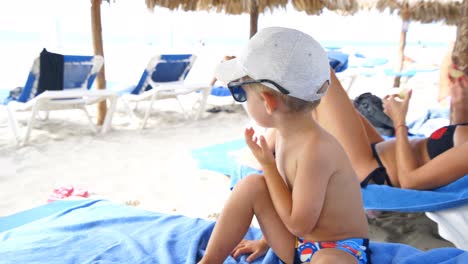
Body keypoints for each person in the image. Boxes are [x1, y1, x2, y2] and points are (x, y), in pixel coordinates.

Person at [198, 27, 370, 264]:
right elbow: (285, 196)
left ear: (268, 102)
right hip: (299, 245)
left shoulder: (316, 150)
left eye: (241, 93)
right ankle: (209, 261)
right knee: (251, 185)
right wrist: (266, 241)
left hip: (340, 248)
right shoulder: (283, 134)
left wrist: (268, 166)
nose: (243, 100)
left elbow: (299, 223)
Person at [309, 65, 468, 190]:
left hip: (377, 170)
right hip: (379, 151)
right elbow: (453, 142)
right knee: (312, 99)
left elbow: (409, 181)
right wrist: (460, 96)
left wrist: (399, 121)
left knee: (319, 70)